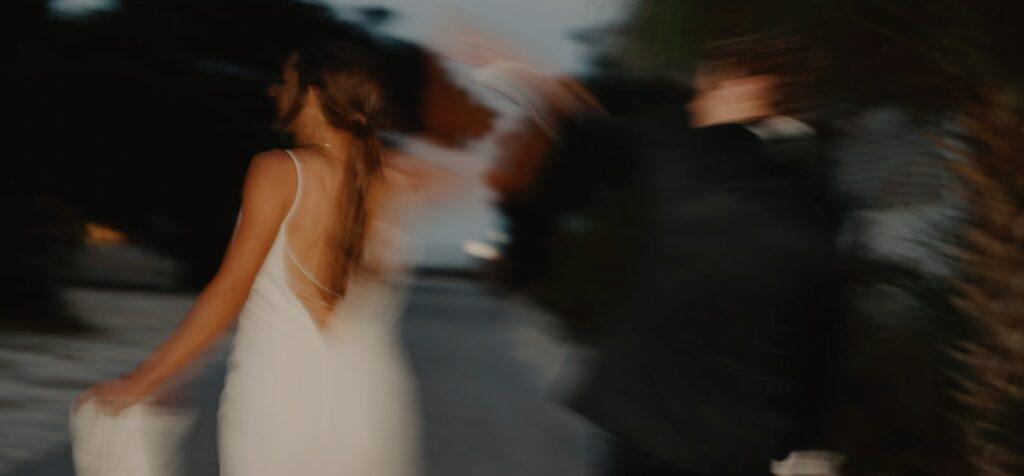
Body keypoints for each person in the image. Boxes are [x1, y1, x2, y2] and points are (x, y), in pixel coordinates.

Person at [76, 41, 428, 475]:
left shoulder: (279, 171)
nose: (273, 91)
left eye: (284, 82)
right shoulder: (398, 187)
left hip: (279, 405)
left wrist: (143, 382)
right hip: (371, 407)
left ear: (313, 96)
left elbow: (228, 292)